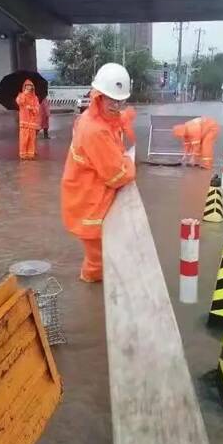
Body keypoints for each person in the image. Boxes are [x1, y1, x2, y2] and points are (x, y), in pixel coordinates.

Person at [61, 63, 137, 283]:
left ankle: (96, 295)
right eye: (112, 99)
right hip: (90, 199)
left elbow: (116, 133)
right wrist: (129, 164)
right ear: (99, 96)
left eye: (120, 100)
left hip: (88, 193)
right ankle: (94, 300)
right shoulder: (95, 130)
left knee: (100, 256)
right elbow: (117, 175)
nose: (117, 105)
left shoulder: (96, 118)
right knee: (98, 262)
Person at [15, 79, 40, 160]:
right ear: (24, 88)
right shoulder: (21, 96)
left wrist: (32, 108)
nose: (29, 90)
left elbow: (37, 109)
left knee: (31, 139)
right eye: (27, 88)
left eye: (30, 88)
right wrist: (24, 94)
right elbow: (19, 102)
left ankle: (30, 154)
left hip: (32, 122)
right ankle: (23, 155)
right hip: (24, 122)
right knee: (24, 139)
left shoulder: (35, 98)